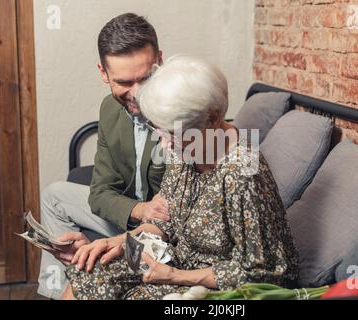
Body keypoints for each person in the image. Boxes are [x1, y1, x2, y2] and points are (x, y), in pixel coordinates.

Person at [61, 56, 299, 300]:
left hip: (215, 286)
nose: (164, 144)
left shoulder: (244, 175)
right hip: (173, 261)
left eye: (173, 134)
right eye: (159, 131)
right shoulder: (185, 149)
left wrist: (175, 275)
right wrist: (120, 241)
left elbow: (266, 273)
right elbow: (166, 221)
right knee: (92, 271)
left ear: (214, 118)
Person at [38, 13, 169, 299]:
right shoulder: (109, 109)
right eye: (124, 82)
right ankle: (57, 291)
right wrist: (139, 210)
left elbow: (181, 217)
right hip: (132, 214)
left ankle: (77, 286)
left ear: (160, 60)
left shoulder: (182, 112)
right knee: (53, 195)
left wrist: (118, 241)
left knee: (102, 263)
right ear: (103, 73)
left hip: (163, 233)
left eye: (145, 78)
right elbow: (99, 193)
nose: (137, 93)